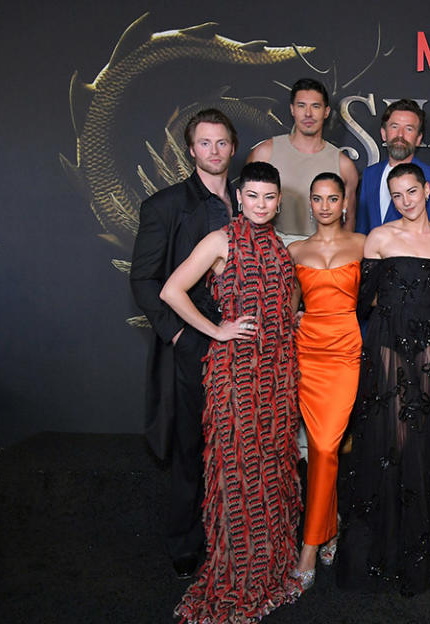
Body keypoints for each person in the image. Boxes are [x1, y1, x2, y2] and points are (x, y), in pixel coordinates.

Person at [160, 161, 301, 622]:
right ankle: (239, 573)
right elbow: (172, 290)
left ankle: (271, 568)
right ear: (239, 197)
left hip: (277, 376)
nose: (261, 205)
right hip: (235, 375)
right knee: (238, 471)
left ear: (279, 201)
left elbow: (288, 302)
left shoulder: (282, 247)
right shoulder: (220, 240)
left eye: (269, 197)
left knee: (272, 467)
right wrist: (216, 331)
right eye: (253, 196)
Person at [336, 163, 430, 596]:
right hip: (388, 347)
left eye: (412, 192)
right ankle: (381, 547)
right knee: (390, 440)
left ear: (427, 190)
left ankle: (416, 547)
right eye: (397, 195)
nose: (406, 201)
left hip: (429, 353)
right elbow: (362, 301)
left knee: (422, 441)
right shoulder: (380, 238)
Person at [130, 108, 237, 579]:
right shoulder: (164, 206)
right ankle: (185, 542)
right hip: (192, 341)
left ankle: (234, 535)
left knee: (237, 444)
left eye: (221, 143)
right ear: (191, 149)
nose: (213, 151)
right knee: (190, 444)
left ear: (233, 147)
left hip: (244, 343)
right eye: (204, 143)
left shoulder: (251, 197)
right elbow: (144, 278)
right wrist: (176, 332)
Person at [285, 172, 365, 587]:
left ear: (343, 203)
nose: (325, 206)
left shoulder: (364, 244)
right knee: (319, 449)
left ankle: (310, 547)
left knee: (325, 444)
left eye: (333, 199)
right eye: (318, 199)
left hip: (346, 351)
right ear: (310, 204)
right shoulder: (296, 250)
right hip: (308, 352)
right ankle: (329, 522)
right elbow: (290, 308)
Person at [247, 78, 359, 240]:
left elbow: (348, 221)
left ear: (326, 112)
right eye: (301, 106)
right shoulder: (264, 153)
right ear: (292, 109)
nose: (308, 113)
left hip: (321, 254)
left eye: (315, 106)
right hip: (271, 251)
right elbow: (247, 211)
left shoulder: (343, 165)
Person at [354, 99, 430, 234]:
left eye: (409, 129)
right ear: (383, 133)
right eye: (394, 127)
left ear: (418, 139)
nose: (400, 135)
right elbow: (362, 229)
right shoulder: (370, 174)